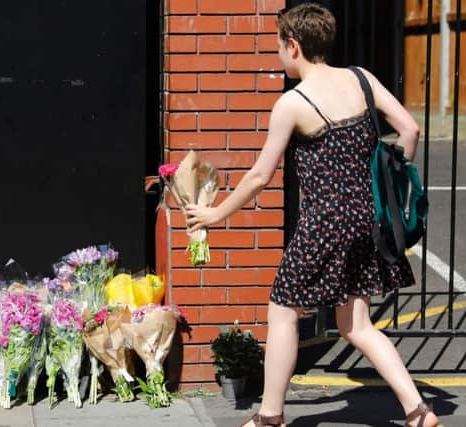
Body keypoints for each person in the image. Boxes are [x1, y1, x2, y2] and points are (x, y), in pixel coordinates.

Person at [185, 3, 439, 427]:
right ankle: (418, 411)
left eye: (279, 48)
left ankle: (269, 418)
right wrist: (389, 182)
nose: (278, 57)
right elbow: (409, 129)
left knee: (283, 310)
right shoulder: (362, 78)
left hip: (324, 225)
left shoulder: (292, 103)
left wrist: (214, 215)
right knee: (356, 325)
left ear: (294, 45)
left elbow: (259, 176)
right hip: (367, 223)